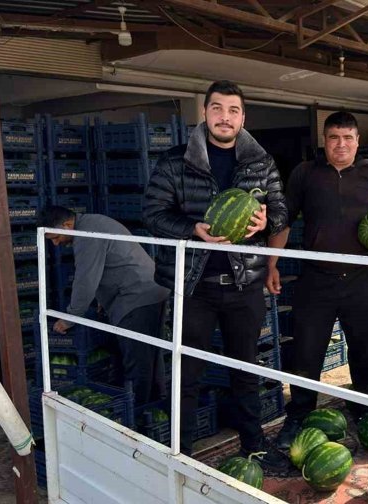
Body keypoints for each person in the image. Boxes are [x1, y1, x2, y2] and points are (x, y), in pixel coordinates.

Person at [142, 80, 289, 469]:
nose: (226, 117)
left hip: (246, 285)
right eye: (218, 109)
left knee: (246, 370)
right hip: (194, 287)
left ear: (243, 117)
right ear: (205, 113)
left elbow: (282, 211)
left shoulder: (261, 163)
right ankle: (182, 451)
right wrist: (194, 229)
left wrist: (264, 221)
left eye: (234, 110)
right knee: (186, 373)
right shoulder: (175, 162)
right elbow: (153, 214)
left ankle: (253, 444)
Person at [267, 111, 368, 449]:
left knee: (364, 354)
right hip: (315, 281)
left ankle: (365, 413)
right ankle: (299, 415)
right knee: (306, 354)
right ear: (325, 141)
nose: (341, 144)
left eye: (348, 137)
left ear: (358, 141)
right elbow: (285, 221)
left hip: (361, 280)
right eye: (334, 137)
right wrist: (271, 263)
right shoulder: (305, 174)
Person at [41, 206, 169, 408]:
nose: (56, 244)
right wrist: (103, 299)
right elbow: (110, 262)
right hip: (150, 291)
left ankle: (139, 416)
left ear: (67, 225)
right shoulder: (94, 221)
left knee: (137, 361)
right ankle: (156, 405)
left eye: (55, 237)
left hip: (136, 296)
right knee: (150, 355)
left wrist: (69, 318)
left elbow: (85, 280)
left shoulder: (87, 234)